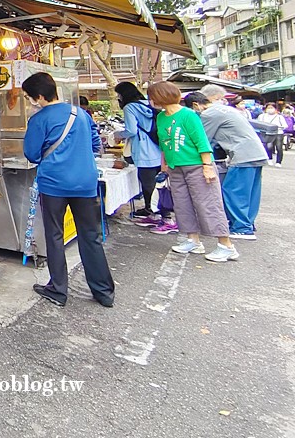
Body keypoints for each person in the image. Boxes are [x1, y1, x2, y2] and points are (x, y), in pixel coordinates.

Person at [22, 72, 114, 308]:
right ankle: (104, 291)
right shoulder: (80, 114)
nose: (29, 101)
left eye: (29, 97)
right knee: (90, 235)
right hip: (86, 182)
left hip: (54, 184)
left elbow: (31, 154)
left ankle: (58, 289)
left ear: (39, 96)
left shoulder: (39, 119)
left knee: (54, 235)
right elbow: (95, 144)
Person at [147, 81, 238, 262]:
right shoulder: (161, 117)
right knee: (182, 204)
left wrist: (206, 166)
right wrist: (164, 164)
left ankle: (226, 246)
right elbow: (165, 143)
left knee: (208, 203)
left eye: (151, 96)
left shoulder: (188, 115)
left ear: (160, 96)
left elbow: (201, 141)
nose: (150, 100)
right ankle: (193, 240)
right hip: (175, 167)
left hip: (197, 165)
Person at [191, 85, 267, 240]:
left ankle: (241, 227)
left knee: (233, 191)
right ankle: (247, 223)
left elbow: (203, 140)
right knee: (250, 193)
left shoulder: (210, 113)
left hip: (242, 155)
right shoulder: (229, 110)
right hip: (256, 153)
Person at [114, 82, 163, 227]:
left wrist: (118, 134)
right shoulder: (148, 103)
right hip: (156, 148)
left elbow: (131, 130)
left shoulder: (130, 107)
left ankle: (155, 213)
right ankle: (155, 209)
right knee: (157, 183)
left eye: (119, 94)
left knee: (148, 184)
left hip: (143, 150)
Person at [256, 103, 286, 167]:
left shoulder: (279, 117)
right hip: (267, 133)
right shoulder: (262, 116)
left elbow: (285, 125)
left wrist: (277, 127)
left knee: (279, 147)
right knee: (269, 146)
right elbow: (259, 124)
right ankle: (269, 159)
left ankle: (278, 162)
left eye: (272, 108)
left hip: (278, 133)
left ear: (275, 109)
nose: (270, 109)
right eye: (268, 108)